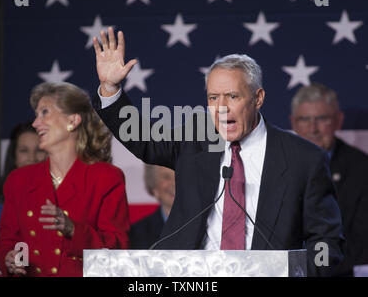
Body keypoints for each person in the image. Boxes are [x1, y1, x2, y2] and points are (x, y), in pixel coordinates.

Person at [91, 28, 344, 276]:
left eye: (232, 96)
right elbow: (143, 139)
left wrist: (293, 272)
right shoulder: (197, 137)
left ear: (258, 98)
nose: (221, 108)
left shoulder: (304, 159)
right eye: (213, 98)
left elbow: (326, 243)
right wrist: (111, 89)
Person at [0, 82, 130, 277]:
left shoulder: (106, 178)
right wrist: (9, 257)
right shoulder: (19, 180)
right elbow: (7, 242)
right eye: (36, 114)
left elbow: (117, 249)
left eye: (44, 113)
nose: (35, 123)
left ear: (72, 121)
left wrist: (74, 230)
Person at [290, 83, 368, 276]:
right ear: (293, 123)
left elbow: (361, 243)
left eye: (322, 119)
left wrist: (312, 270)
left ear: (338, 121)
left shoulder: (362, 169)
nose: (312, 129)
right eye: (304, 119)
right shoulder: (274, 165)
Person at [0, 122, 46, 276]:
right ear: (14, 157)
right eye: (24, 150)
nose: (32, 158)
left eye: (39, 150)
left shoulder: (58, 208)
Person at [130, 164, 175, 249]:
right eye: (166, 177)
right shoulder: (136, 234)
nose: (174, 182)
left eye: (179, 175)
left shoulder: (204, 228)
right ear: (154, 188)